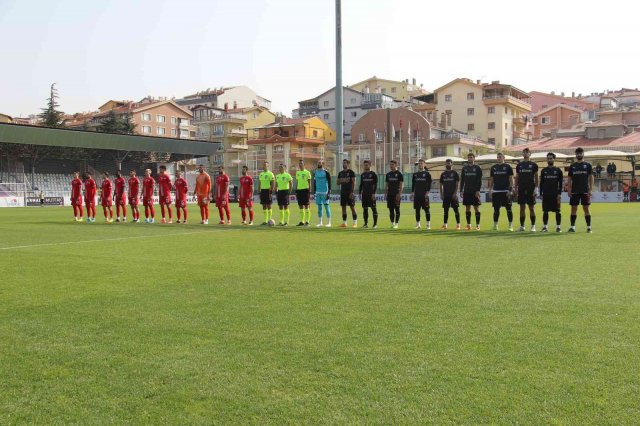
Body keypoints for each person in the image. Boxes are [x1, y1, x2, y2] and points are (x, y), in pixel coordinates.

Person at [567, 147, 594, 233]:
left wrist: (590, 189)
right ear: (575, 154)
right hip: (574, 190)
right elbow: (569, 179)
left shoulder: (587, 165)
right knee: (573, 208)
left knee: (586, 208)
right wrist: (569, 189)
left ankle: (589, 227)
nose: (579, 155)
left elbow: (591, 177)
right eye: (577, 153)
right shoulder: (572, 166)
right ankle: (572, 227)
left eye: (580, 153)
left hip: (585, 190)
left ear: (583, 154)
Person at [488, 153, 514, 231]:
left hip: (506, 191)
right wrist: (490, 190)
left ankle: (510, 225)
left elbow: (511, 179)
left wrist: (510, 190)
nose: (498, 158)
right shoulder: (493, 167)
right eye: (498, 157)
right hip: (496, 191)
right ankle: (495, 225)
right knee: (496, 209)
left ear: (504, 158)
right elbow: (492, 180)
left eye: (500, 157)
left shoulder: (508, 167)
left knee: (508, 209)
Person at [515, 148, 539, 232]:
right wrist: (515, 188)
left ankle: (533, 226)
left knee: (531, 207)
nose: (525, 154)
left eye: (527, 152)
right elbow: (517, 177)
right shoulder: (519, 165)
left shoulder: (533, 165)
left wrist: (536, 188)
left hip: (530, 189)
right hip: (521, 189)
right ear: (522, 154)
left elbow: (536, 177)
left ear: (530, 154)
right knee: (522, 207)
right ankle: (522, 226)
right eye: (524, 152)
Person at [539, 152, 563, 232]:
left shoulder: (558, 170)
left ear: (554, 159)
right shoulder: (543, 170)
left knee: (557, 211)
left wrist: (559, 194)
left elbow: (561, 183)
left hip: (555, 194)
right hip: (546, 194)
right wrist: (540, 194)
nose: (549, 160)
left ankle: (558, 227)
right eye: (548, 158)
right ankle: (545, 227)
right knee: (545, 211)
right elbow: (541, 183)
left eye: (551, 158)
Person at [460, 152, 482, 230]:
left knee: (476, 208)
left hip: (475, 191)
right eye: (469, 157)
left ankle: (478, 225)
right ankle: (469, 225)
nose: (470, 159)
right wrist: (461, 190)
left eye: (471, 157)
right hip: (466, 191)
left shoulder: (477, 168)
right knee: (467, 208)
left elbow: (479, 180)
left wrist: (478, 190)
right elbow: (462, 180)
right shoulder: (464, 168)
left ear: (474, 158)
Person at [439, 159, 460, 230]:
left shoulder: (455, 173)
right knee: (445, 211)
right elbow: (441, 185)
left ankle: (458, 225)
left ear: (451, 164)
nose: (448, 164)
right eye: (447, 163)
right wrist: (441, 194)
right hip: (446, 195)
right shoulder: (443, 174)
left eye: (449, 163)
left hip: (453, 195)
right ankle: (445, 225)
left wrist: (455, 193)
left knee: (456, 210)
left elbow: (457, 185)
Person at [412, 159, 432, 229]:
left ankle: (428, 225)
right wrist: (412, 193)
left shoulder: (427, 174)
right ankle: (418, 224)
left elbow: (429, 184)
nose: (420, 164)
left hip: (424, 195)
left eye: (421, 163)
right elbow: (413, 184)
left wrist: (427, 192)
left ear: (424, 164)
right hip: (417, 195)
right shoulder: (415, 174)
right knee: (417, 210)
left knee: (427, 210)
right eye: (419, 163)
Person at [338, 159, 357, 228]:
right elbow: (337, 183)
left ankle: (355, 223)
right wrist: (344, 180)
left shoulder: (351, 172)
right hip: (343, 192)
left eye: (345, 163)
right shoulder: (340, 173)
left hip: (350, 192)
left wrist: (352, 192)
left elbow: (354, 182)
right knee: (343, 208)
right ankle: (344, 223)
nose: (344, 164)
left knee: (352, 207)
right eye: (343, 163)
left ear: (348, 164)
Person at [359, 159, 378, 229]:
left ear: (370, 165)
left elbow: (375, 185)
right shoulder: (363, 174)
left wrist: (373, 194)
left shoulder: (373, 174)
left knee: (373, 209)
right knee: (365, 209)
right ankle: (365, 224)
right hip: (364, 194)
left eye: (366, 165)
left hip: (371, 194)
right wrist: (359, 192)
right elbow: (361, 184)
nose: (365, 166)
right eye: (364, 165)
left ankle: (375, 224)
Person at [312, 161, 332, 227]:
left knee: (326, 206)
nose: (318, 164)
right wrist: (314, 192)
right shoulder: (315, 172)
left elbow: (329, 182)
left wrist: (329, 192)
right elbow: (314, 183)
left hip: (325, 192)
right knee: (319, 207)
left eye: (320, 163)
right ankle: (320, 222)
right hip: (318, 192)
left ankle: (329, 222)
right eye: (318, 163)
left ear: (323, 164)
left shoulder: (326, 172)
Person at [385, 160, 404, 229]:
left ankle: (396, 223)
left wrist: (399, 194)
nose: (391, 166)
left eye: (392, 164)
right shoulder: (388, 174)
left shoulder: (399, 174)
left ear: (396, 165)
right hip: (390, 194)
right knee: (391, 210)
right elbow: (387, 184)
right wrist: (385, 193)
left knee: (397, 209)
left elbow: (402, 184)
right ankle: (392, 223)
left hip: (396, 194)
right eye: (390, 165)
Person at [294, 160, 312, 226]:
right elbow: (297, 182)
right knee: (300, 206)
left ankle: (307, 221)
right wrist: (296, 190)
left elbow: (310, 182)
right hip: (299, 191)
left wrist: (309, 191)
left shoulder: (307, 172)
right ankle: (302, 221)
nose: (300, 165)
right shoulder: (297, 173)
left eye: (301, 163)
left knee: (306, 206)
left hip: (305, 190)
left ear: (304, 165)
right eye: (299, 164)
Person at [258, 161, 276, 225]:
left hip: (268, 191)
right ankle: (265, 221)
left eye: (265, 165)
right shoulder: (261, 174)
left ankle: (269, 219)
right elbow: (260, 183)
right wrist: (259, 191)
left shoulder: (270, 174)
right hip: (262, 191)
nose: (264, 166)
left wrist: (271, 191)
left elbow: (273, 183)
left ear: (268, 166)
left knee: (269, 205)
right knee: (264, 205)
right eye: (263, 165)